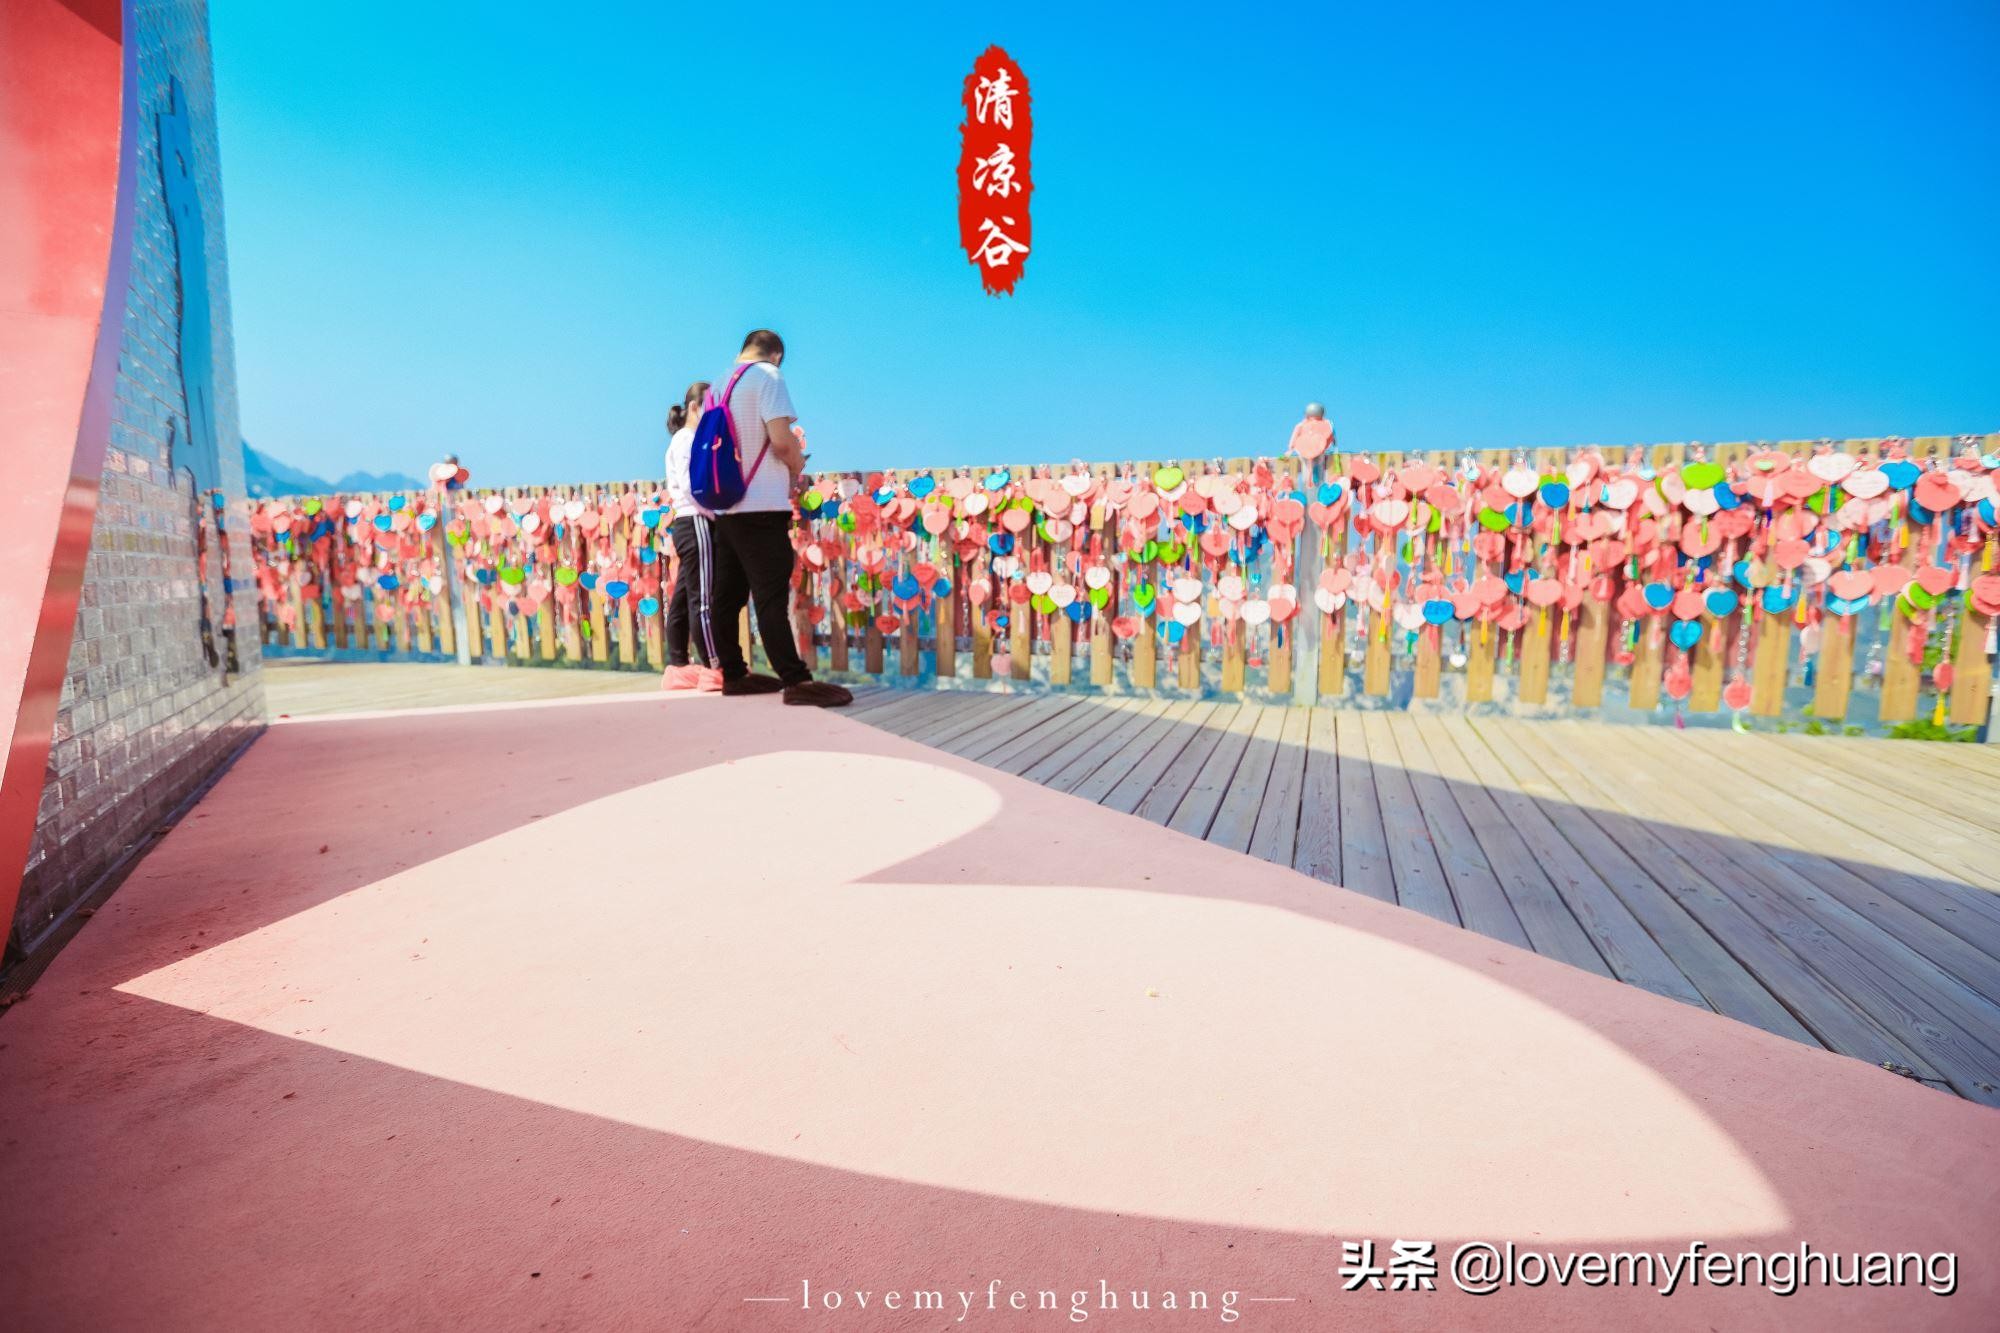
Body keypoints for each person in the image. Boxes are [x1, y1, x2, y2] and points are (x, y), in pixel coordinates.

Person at [700, 329, 851, 707]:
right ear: (777, 355)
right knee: (770, 597)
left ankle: (734, 674)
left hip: (727, 506)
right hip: (761, 505)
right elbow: (782, 441)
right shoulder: (768, 376)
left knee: (727, 597)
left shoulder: (717, 385)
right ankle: (795, 680)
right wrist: (797, 464)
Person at [660, 380, 721, 691]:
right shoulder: (688, 440)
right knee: (703, 599)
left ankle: (679, 665)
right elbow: (691, 485)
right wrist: (715, 510)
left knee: (684, 596)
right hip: (696, 519)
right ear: (695, 408)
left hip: (686, 522)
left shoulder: (682, 440)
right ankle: (715, 665)